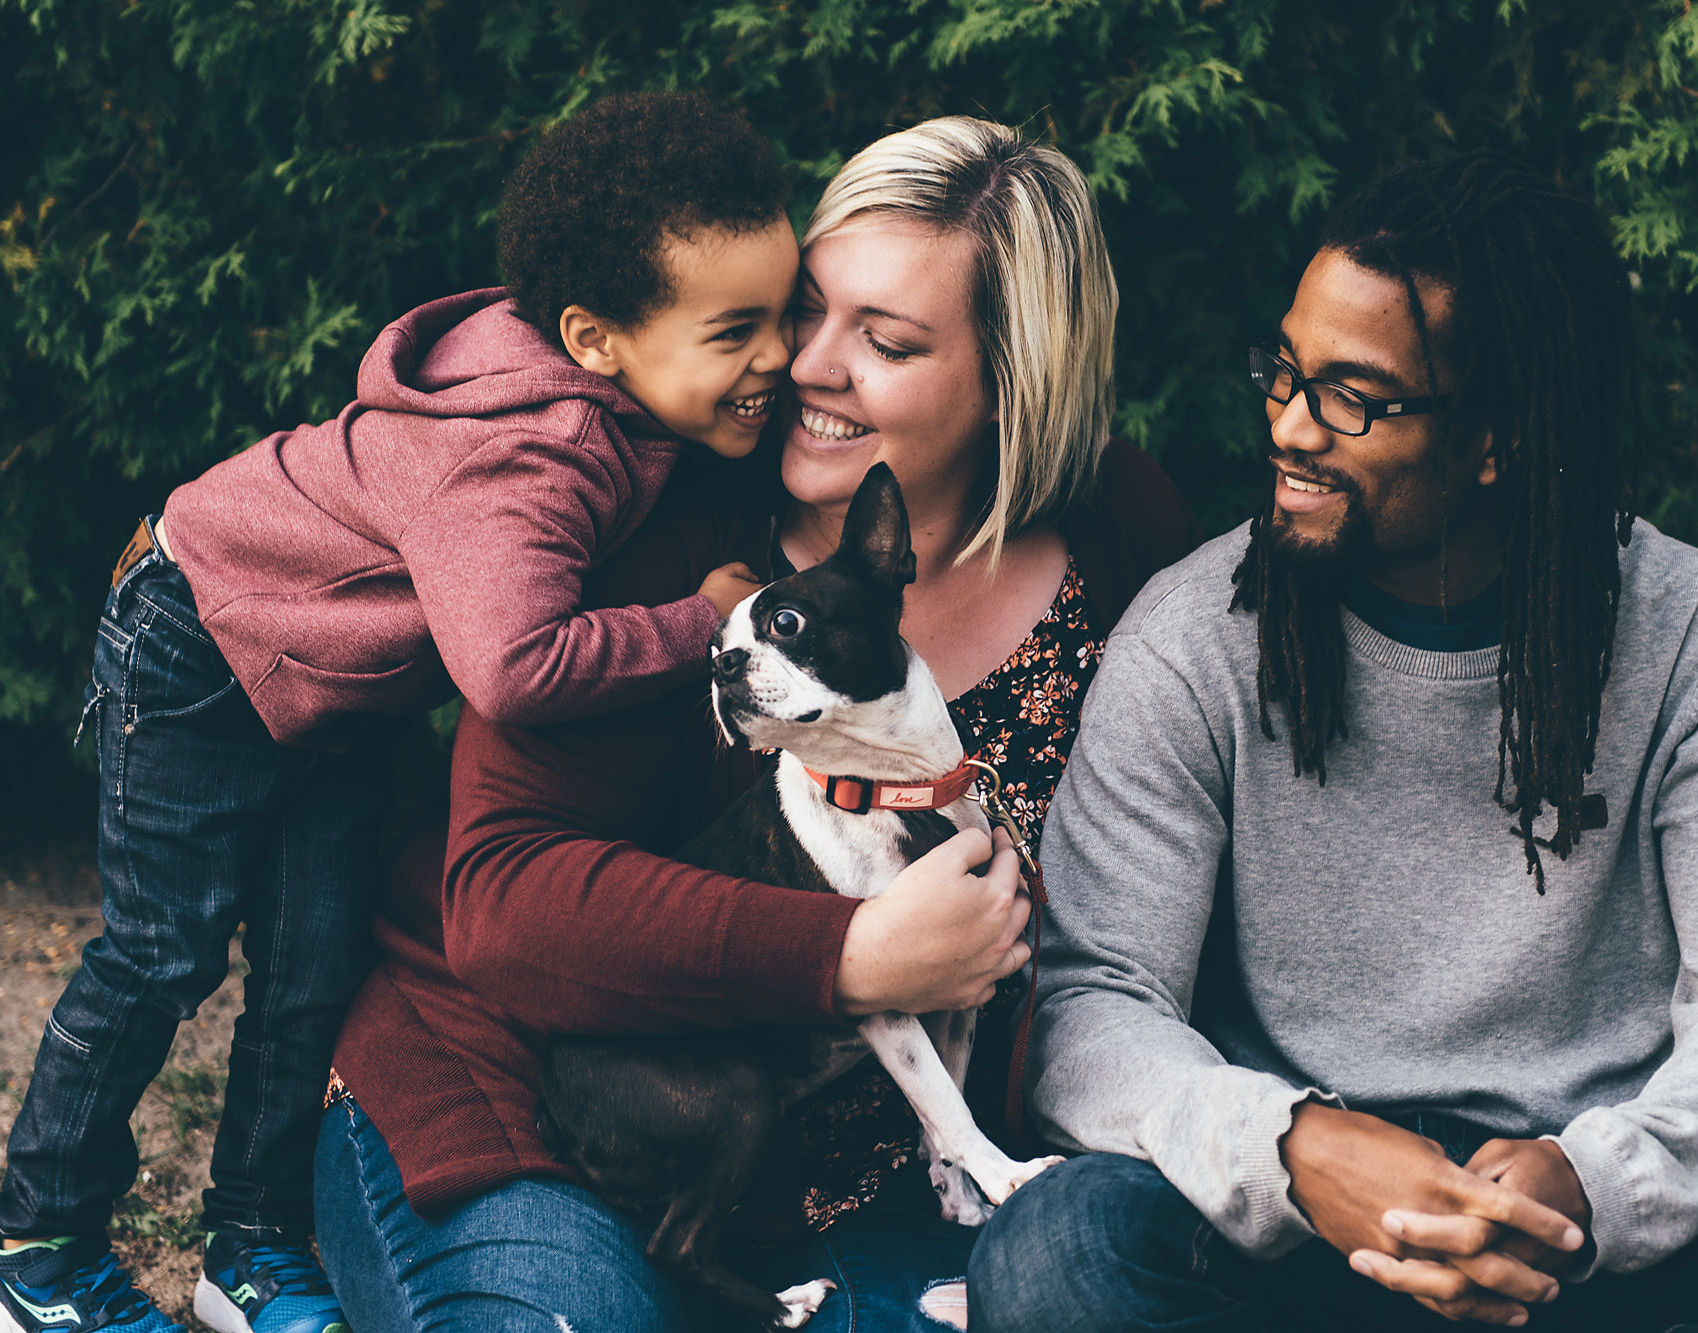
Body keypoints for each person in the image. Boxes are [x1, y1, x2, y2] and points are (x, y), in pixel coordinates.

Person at [967, 153, 1698, 1332]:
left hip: (1588, 1235)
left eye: (1351, 396)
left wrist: (1590, 1182)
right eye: (1285, 373)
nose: (1290, 427)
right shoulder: (1196, 634)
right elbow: (1091, 1002)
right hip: (1303, 1233)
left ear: (1495, 438)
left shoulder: (1683, 626)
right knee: (1054, 1256)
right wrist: (1293, 1146)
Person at [312, 115, 1200, 1331]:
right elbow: (506, 904)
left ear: (1013, 378)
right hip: (527, 1105)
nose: (802, 365)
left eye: (881, 341)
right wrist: (849, 955)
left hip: (881, 1181)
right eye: (799, 312)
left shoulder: (1115, 534)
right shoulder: (660, 528)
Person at [0, 91, 790, 1333]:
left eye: (787, 316)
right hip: (200, 640)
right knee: (161, 948)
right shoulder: (528, 454)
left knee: (313, 960)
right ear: (593, 338)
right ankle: (29, 1241)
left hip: (333, 677)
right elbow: (512, 665)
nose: (777, 357)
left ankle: (250, 1241)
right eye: (735, 331)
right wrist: (704, 625)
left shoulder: (618, 405)